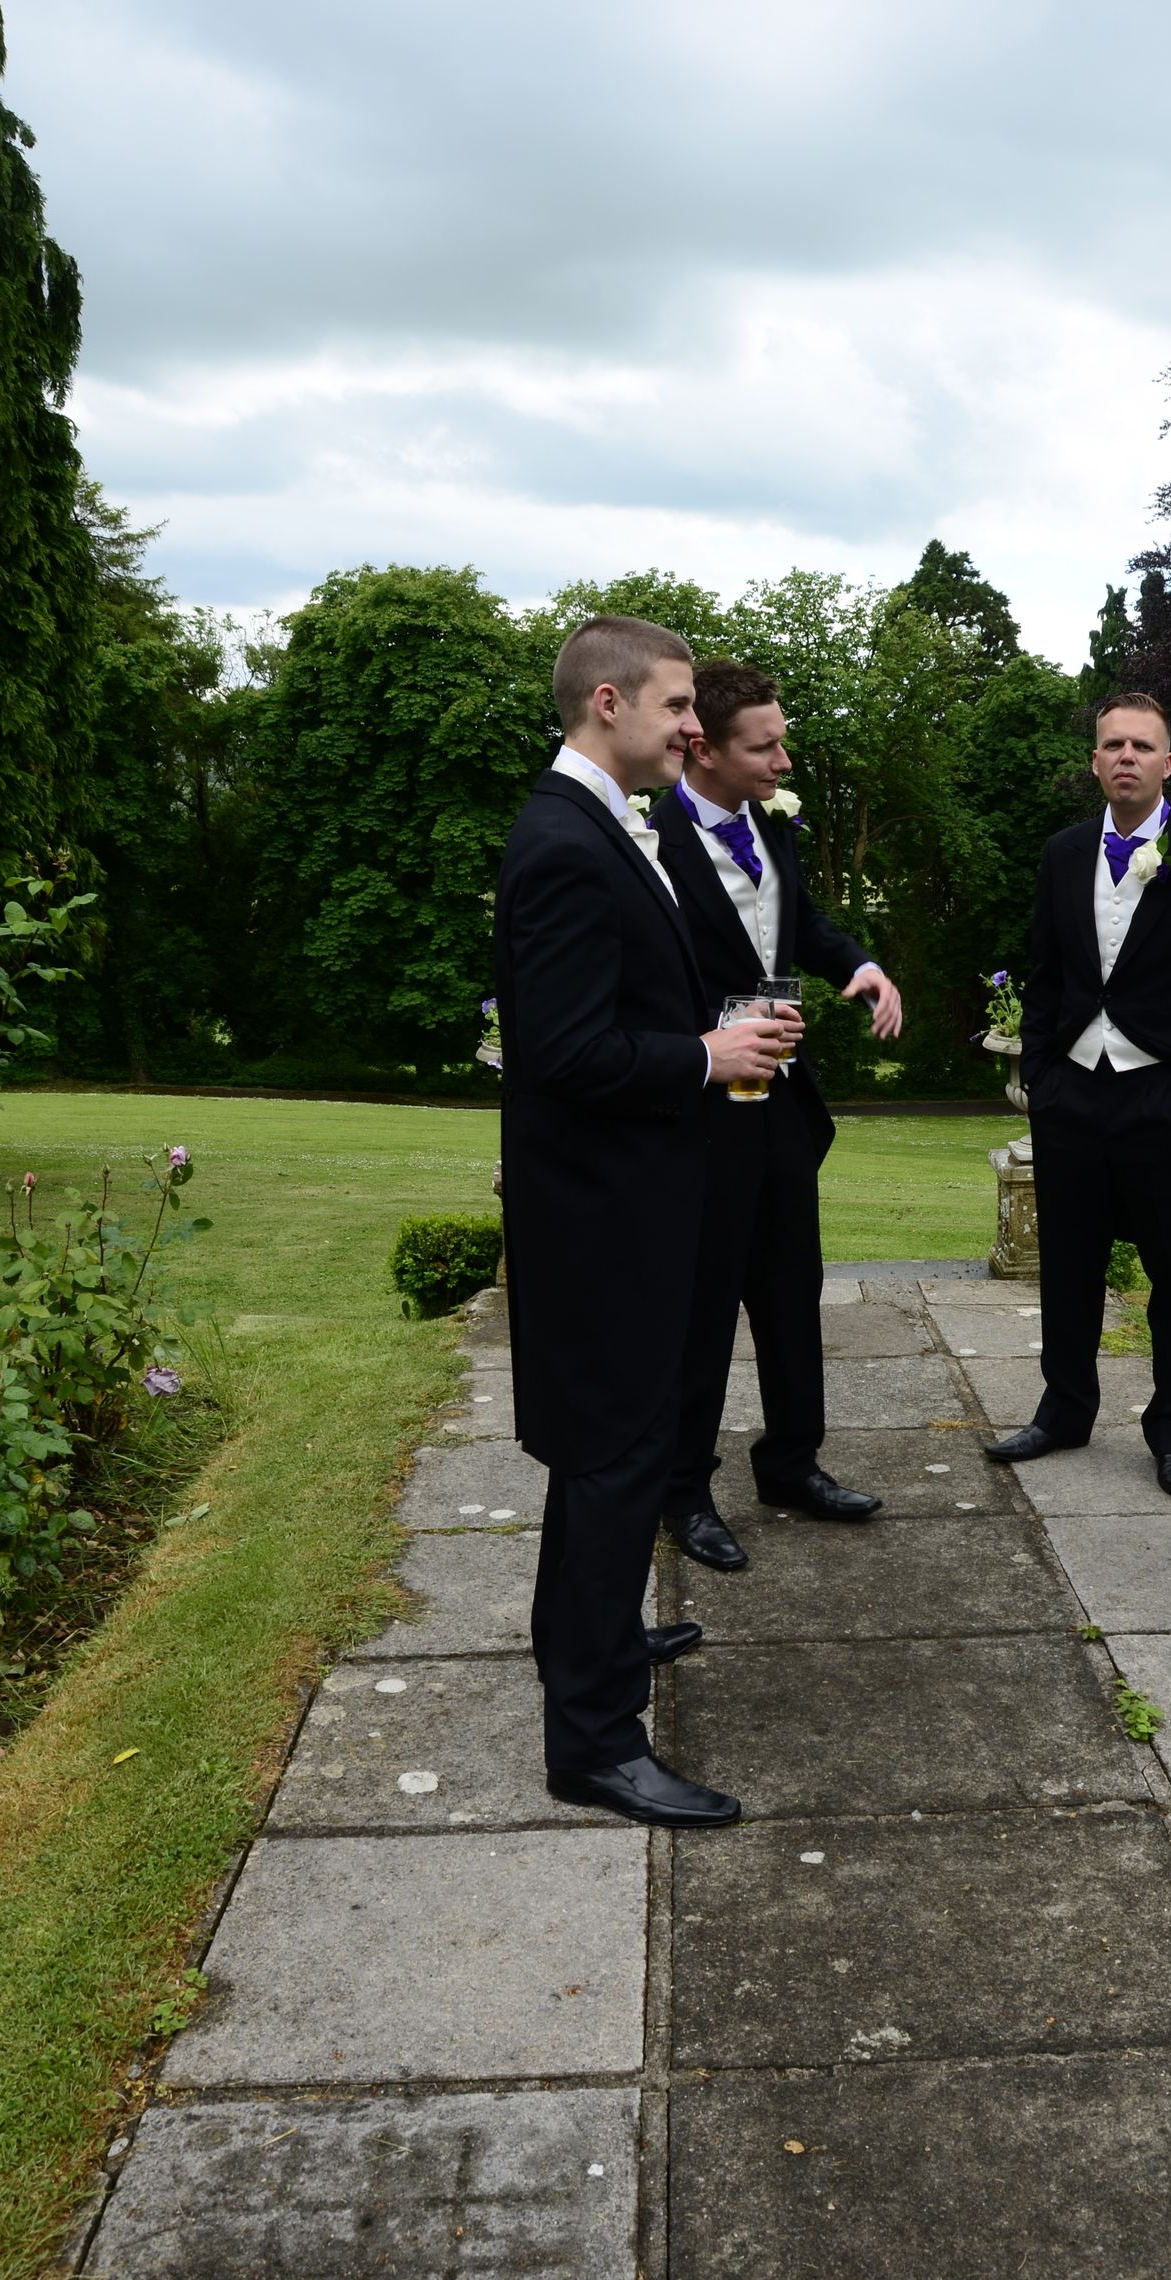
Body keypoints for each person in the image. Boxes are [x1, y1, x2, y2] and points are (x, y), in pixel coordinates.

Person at [494, 615, 790, 1825]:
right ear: (607, 703)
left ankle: (590, 1639)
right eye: (675, 705)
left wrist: (710, 1035)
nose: (691, 725)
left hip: (626, 1204)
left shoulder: (606, 822)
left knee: (606, 1456)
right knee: (615, 1461)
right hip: (601, 1219)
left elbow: (618, 1007)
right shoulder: (566, 843)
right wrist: (707, 1056)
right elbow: (564, 1052)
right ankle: (595, 1743)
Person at [649, 661, 904, 1571]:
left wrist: (857, 965)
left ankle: (792, 1464)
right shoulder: (647, 842)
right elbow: (639, 984)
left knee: (793, 1292)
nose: (783, 761)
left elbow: (800, 923)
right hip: (697, 1111)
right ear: (702, 748)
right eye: (764, 748)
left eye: (781, 741)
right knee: (702, 1307)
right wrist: (714, 1035)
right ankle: (683, 1489)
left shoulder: (771, 825)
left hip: (784, 1105)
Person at [989, 692, 1171, 1493]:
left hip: (1166, 1098)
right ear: (1095, 761)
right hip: (1072, 1093)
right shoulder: (1063, 853)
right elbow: (1045, 975)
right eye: (1113, 745)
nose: (1126, 757)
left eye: (1142, 746)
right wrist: (1043, 1076)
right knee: (1067, 1264)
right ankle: (1064, 1411)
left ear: (1167, 763)